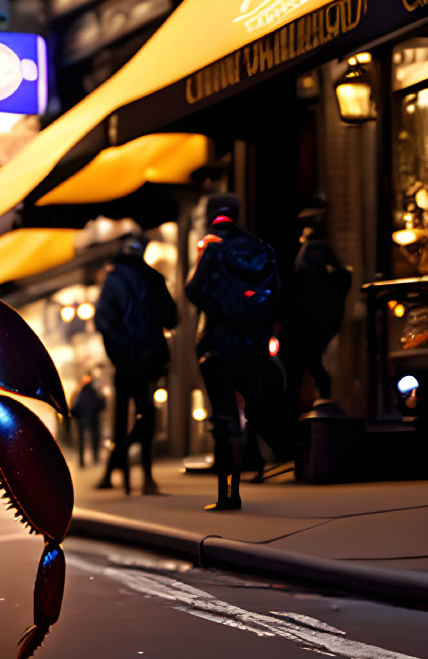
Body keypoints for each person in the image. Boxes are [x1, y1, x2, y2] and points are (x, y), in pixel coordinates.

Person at [184, 194, 280, 512]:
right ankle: (257, 467)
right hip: (252, 341)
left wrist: (222, 309)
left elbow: (194, 289)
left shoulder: (211, 247)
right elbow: (273, 293)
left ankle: (228, 493)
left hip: (218, 341)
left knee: (224, 419)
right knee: (250, 410)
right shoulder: (260, 248)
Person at [94, 232, 178, 495]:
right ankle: (147, 477)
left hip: (124, 360)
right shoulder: (154, 279)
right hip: (148, 357)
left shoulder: (113, 280)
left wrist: (118, 350)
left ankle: (114, 472)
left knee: (121, 414)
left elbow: (103, 321)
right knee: (146, 413)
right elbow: (172, 317)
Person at [283, 195, 351, 406]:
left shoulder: (316, 250)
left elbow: (338, 278)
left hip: (316, 314)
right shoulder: (315, 249)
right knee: (312, 358)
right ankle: (322, 394)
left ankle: (324, 394)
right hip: (316, 313)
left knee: (313, 357)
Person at [69, 374, 104, 468]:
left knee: (82, 441)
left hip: (82, 419)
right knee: (93, 438)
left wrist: (72, 413)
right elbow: (100, 404)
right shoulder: (93, 392)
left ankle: (82, 461)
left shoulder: (81, 392)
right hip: (92, 419)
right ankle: (94, 458)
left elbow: (76, 406)